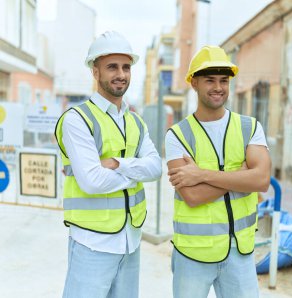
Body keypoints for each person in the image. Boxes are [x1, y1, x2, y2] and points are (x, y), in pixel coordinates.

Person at [55, 31, 162, 298]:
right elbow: (92, 182)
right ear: (95, 71)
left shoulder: (136, 122)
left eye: (126, 67)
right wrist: (136, 170)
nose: (121, 74)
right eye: (112, 66)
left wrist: (116, 163)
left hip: (130, 240)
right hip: (93, 242)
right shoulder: (77, 120)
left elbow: (156, 168)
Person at [165, 45, 271, 298]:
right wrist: (242, 176)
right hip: (193, 254)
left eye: (224, 80)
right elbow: (193, 197)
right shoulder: (178, 135)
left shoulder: (249, 127)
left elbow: (262, 180)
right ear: (194, 83)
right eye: (210, 80)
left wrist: (201, 174)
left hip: (240, 252)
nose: (218, 87)